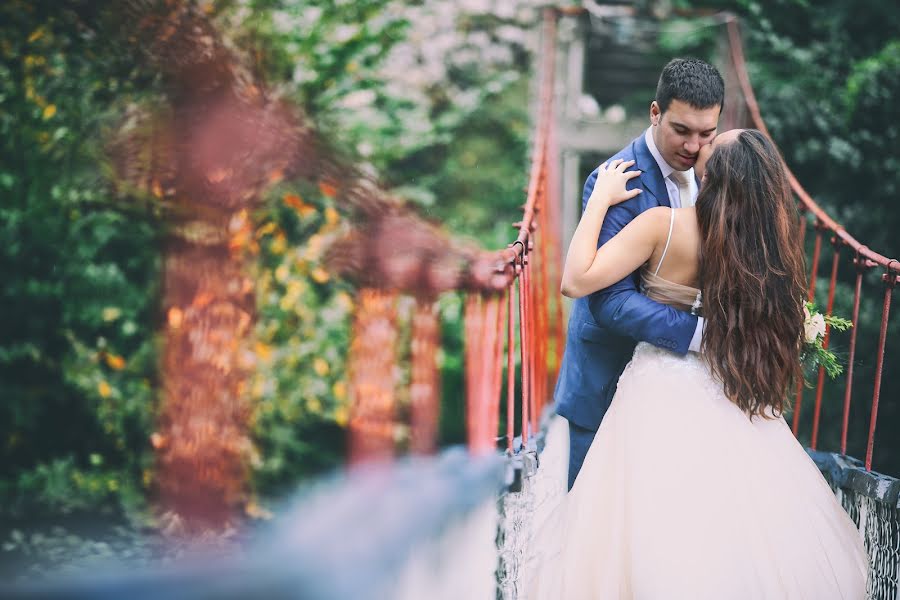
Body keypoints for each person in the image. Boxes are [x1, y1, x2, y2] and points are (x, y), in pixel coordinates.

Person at [543, 129, 867, 598]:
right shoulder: (765, 252)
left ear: (713, 174)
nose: (698, 146)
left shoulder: (663, 225)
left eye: (711, 143)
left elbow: (576, 280)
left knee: (643, 527)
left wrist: (601, 200)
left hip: (654, 393)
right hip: (729, 393)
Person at [555, 58, 723, 490]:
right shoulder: (614, 178)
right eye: (681, 130)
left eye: (707, 134)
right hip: (607, 380)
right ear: (655, 113)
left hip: (682, 390)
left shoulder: (716, 176)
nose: (693, 146)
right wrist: (703, 335)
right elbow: (609, 300)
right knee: (589, 523)